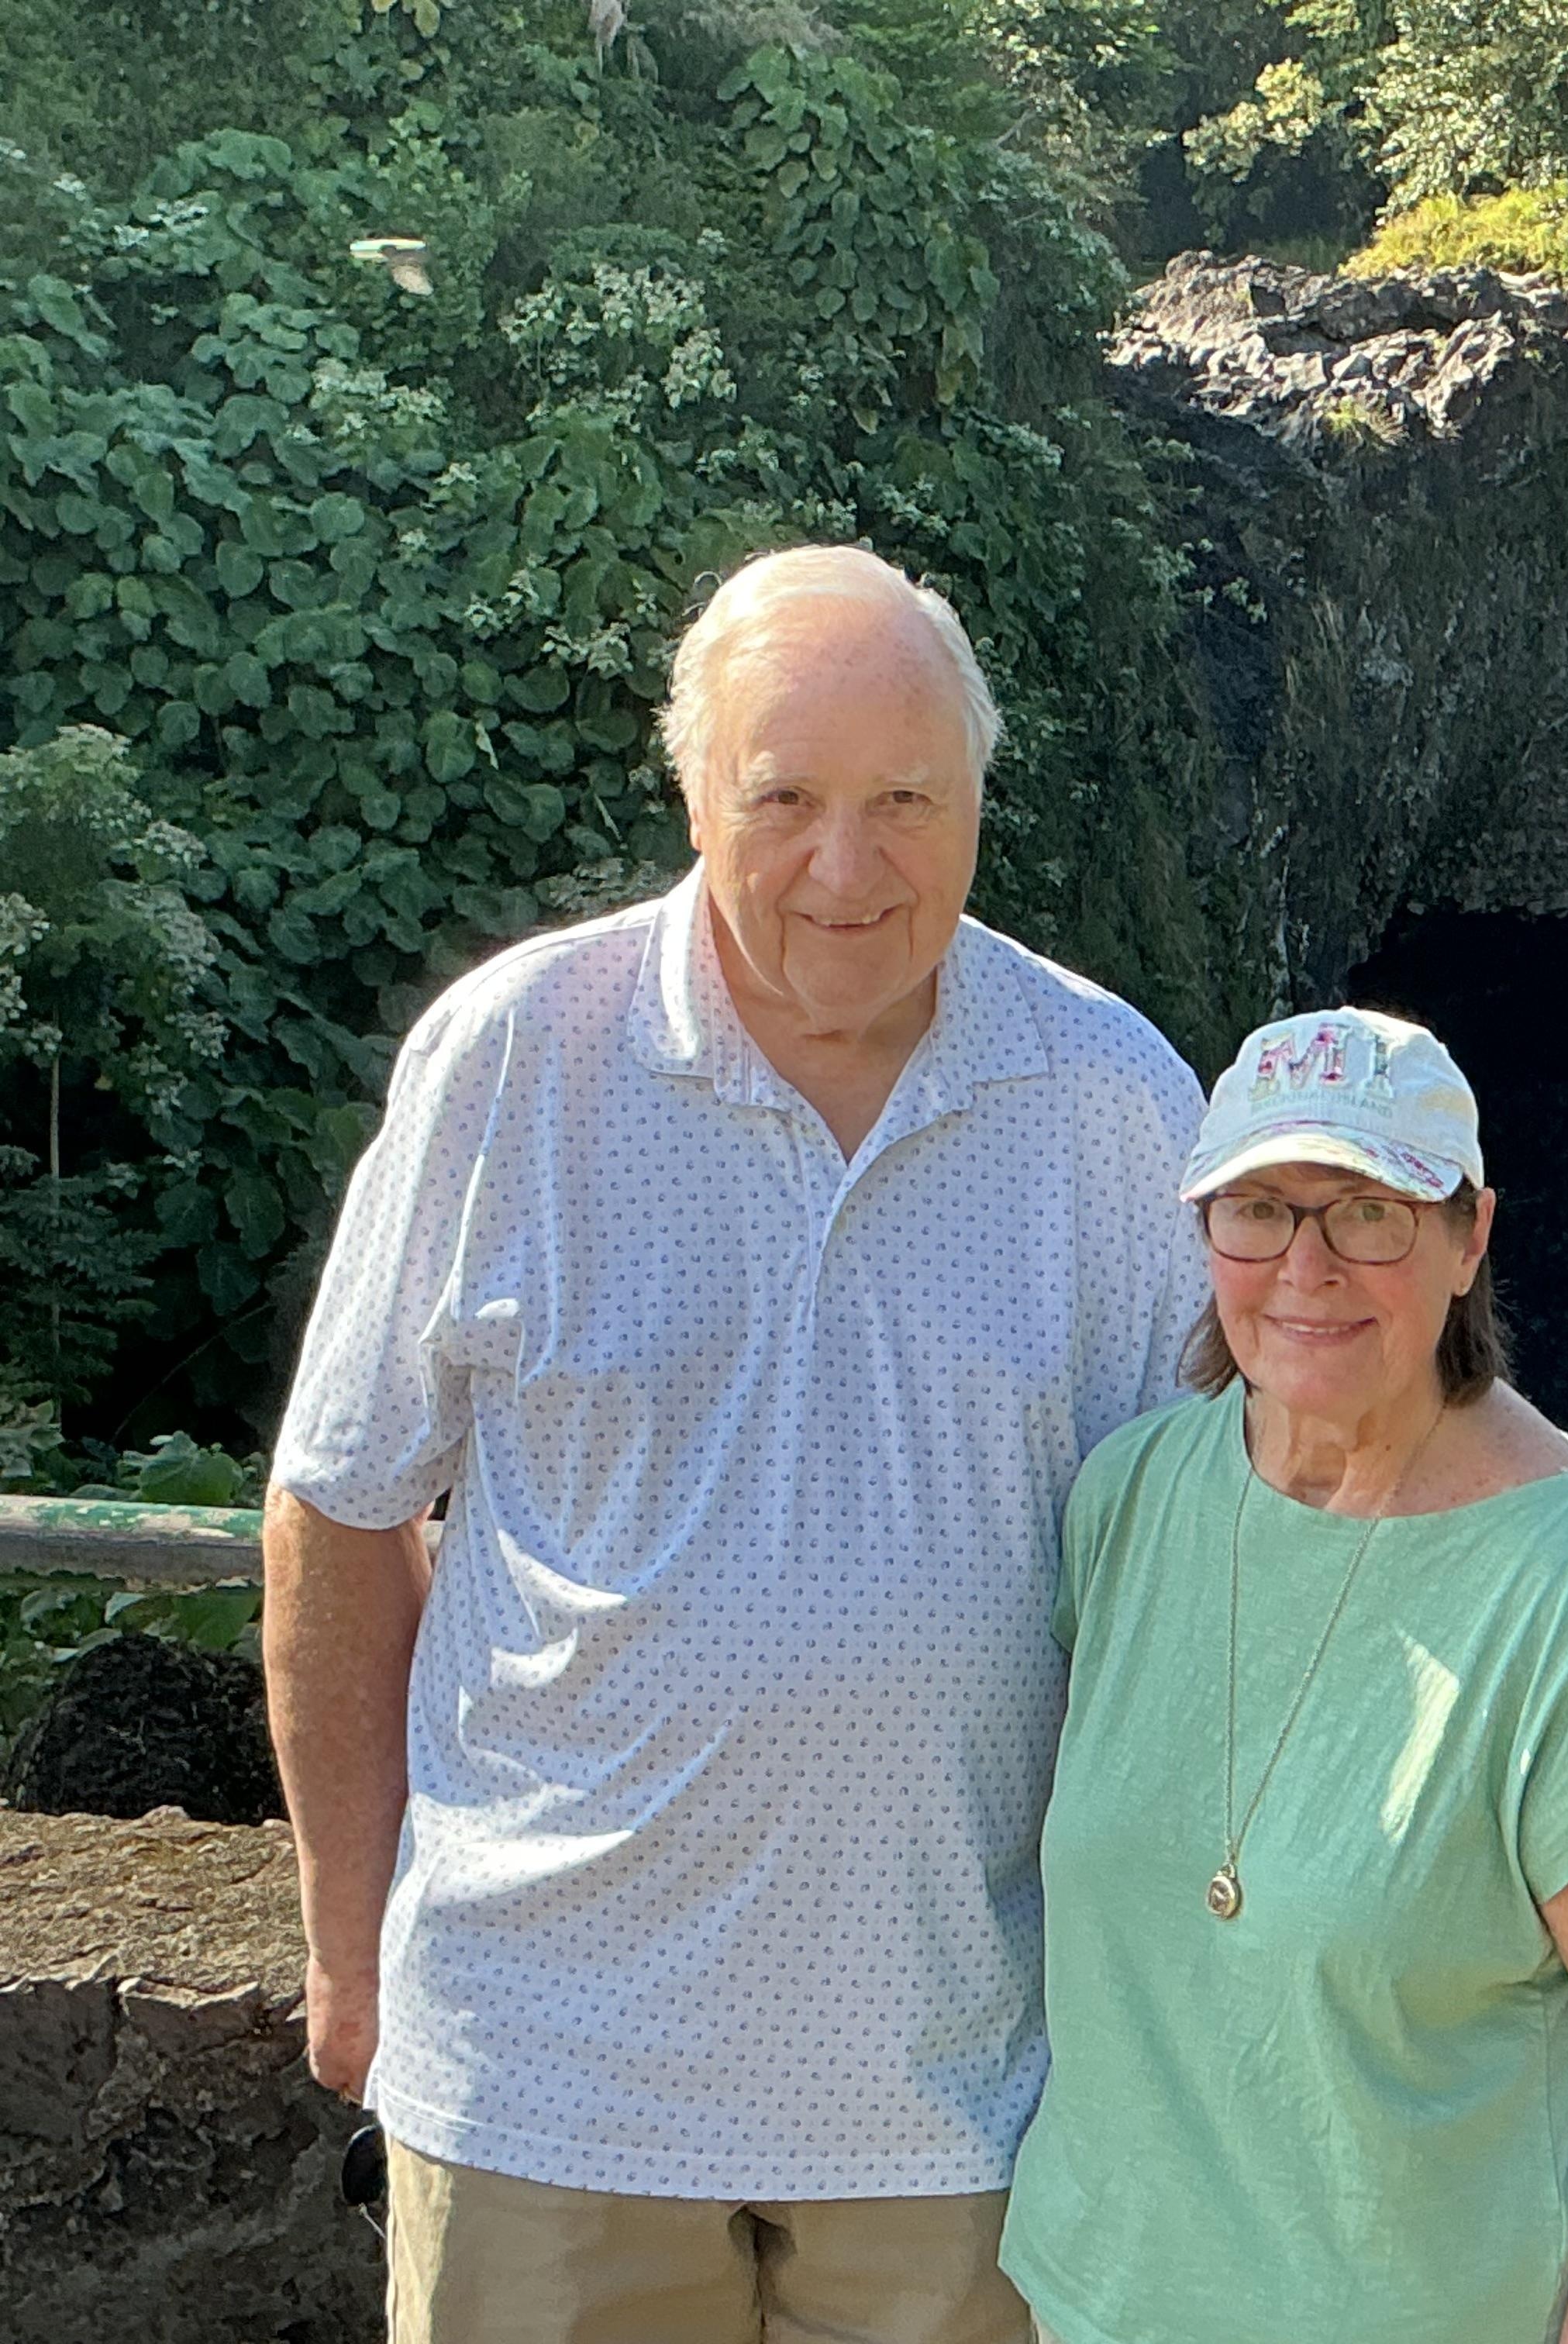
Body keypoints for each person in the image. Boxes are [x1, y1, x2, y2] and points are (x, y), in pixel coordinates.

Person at [263, 545, 1207, 2344]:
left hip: (968, 2091)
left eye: (906, 801)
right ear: (694, 792)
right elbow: (340, 1503)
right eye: (785, 800)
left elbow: (1209, 1574)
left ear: (979, 802)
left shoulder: (1113, 1100)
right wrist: (344, 1929)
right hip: (549, 2085)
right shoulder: (514, 1059)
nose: (848, 869)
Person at [1004, 1006, 1568, 2344]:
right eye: (1257, 1211)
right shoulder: (1132, 1499)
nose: (1306, 1267)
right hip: (1081, 2313)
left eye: (1369, 1213)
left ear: (1470, 1237)